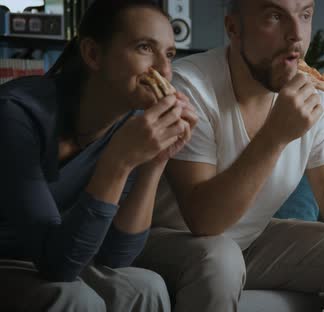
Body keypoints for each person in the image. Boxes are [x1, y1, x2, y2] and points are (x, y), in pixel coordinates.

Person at [135, 0, 324, 311]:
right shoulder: (190, 86)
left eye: (305, 14)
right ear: (234, 28)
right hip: (172, 241)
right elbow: (204, 221)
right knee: (221, 258)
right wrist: (274, 136)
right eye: (275, 16)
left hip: (250, 243)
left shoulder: (315, 95)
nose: (296, 34)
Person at [0, 0, 197, 311]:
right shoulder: (16, 114)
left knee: (146, 286)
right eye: (145, 47)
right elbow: (58, 267)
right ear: (93, 54)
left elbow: (116, 256)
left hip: (52, 255)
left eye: (169, 54)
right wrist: (119, 162)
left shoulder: (131, 122)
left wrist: (156, 161)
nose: (164, 70)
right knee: (73, 297)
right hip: (10, 257)